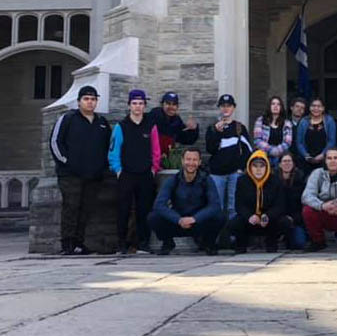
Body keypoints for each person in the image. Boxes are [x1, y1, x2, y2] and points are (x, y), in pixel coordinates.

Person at [49, 85, 112, 255]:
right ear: (79, 102)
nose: (90, 102)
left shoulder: (102, 123)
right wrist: (67, 162)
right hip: (71, 175)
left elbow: (108, 147)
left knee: (86, 210)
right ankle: (67, 244)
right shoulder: (68, 119)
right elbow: (55, 142)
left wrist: (102, 167)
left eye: (93, 99)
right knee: (71, 208)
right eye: (86, 99)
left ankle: (79, 243)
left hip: (93, 176)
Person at [108, 89, 162, 254]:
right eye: (134, 103)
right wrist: (118, 170)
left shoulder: (150, 126)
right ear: (129, 105)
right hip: (126, 174)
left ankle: (142, 244)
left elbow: (156, 150)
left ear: (144, 105)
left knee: (144, 209)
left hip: (145, 174)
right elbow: (113, 150)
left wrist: (154, 168)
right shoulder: (121, 127)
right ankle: (122, 244)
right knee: (123, 210)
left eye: (140, 103)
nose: (137, 107)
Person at [148, 147, 225, 255]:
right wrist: (178, 219)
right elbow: (159, 205)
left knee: (219, 216)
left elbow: (215, 205)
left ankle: (208, 243)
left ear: (199, 162)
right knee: (153, 217)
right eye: (188, 159)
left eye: (194, 160)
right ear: (182, 161)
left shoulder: (206, 180)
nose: (191, 163)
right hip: (178, 222)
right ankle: (167, 242)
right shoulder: (172, 180)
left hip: (199, 222)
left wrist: (195, 219)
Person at [205, 94, 253, 223]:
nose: (226, 109)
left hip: (234, 174)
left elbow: (248, 150)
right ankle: (216, 237)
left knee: (234, 208)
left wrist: (241, 169)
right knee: (217, 207)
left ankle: (233, 237)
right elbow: (210, 149)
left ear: (233, 108)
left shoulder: (239, 128)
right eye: (223, 106)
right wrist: (216, 132)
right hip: (217, 174)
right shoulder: (212, 128)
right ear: (219, 108)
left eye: (229, 106)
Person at [230, 150, 288, 253]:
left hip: (268, 221)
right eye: (255, 166)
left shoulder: (275, 181)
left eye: (261, 166)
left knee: (284, 222)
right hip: (250, 221)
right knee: (235, 222)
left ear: (267, 167)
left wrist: (267, 216)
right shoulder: (242, 181)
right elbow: (239, 205)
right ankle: (241, 244)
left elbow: (280, 205)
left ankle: (271, 242)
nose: (258, 170)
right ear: (249, 167)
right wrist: (249, 216)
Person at [149, 92, 199, 159]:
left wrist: (193, 129)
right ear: (162, 105)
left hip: (167, 159)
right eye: (168, 104)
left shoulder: (176, 120)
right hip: (151, 157)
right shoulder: (154, 116)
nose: (171, 107)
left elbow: (186, 139)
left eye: (174, 104)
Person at [276, 153, 308, 250]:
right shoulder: (273, 180)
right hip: (278, 217)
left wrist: (293, 218)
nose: (287, 163)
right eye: (284, 161)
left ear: (293, 163)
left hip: (296, 219)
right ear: (280, 164)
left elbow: (302, 204)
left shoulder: (300, 179)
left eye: (289, 161)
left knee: (299, 244)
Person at [296, 97, 336, 174]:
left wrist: (322, 155)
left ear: (323, 108)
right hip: (307, 160)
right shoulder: (303, 121)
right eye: (313, 106)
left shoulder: (329, 120)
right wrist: (306, 155)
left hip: (324, 159)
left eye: (319, 106)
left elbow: (331, 141)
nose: (316, 108)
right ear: (310, 107)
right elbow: (299, 142)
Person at [252, 96, 293, 165]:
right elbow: (257, 140)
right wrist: (271, 150)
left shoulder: (287, 123)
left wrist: (277, 151)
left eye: (278, 104)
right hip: (263, 155)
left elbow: (287, 142)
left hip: (280, 156)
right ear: (269, 106)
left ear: (281, 107)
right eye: (273, 104)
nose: (275, 106)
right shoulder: (260, 121)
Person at [288, 97, 307, 164]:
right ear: (291, 108)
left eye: (302, 108)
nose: (299, 109)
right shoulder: (284, 123)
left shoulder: (307, 124)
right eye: (297, 106)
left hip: (303, 159)